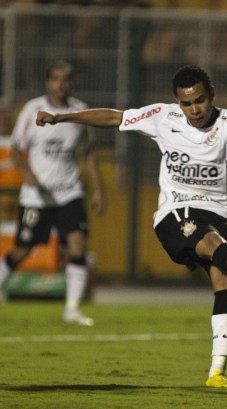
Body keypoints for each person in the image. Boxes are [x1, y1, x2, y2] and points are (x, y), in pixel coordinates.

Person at [35, 64, 227, 389]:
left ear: (212, 94)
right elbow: (114, 117)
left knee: (225, 282)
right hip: (175, 211)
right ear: (178, 102)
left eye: (200, 101)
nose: (194, 110)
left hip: (219, 213)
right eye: (187, 103)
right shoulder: (163, 117)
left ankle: (216, 372)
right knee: (213, 245)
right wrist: (60, 118)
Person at [0, 60, 105, 327]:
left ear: (72, 82)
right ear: (48, 82)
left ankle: (71, 309)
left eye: (66, 78)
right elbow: (15, 148)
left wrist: (99, 190)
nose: (61, 83)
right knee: (22, 249)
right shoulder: (32, 110)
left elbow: (88, 152)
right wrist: (26, 174)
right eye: (56, 78)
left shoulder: (80, 112)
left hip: (68, 192)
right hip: (37, 196)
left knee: (77, 244)